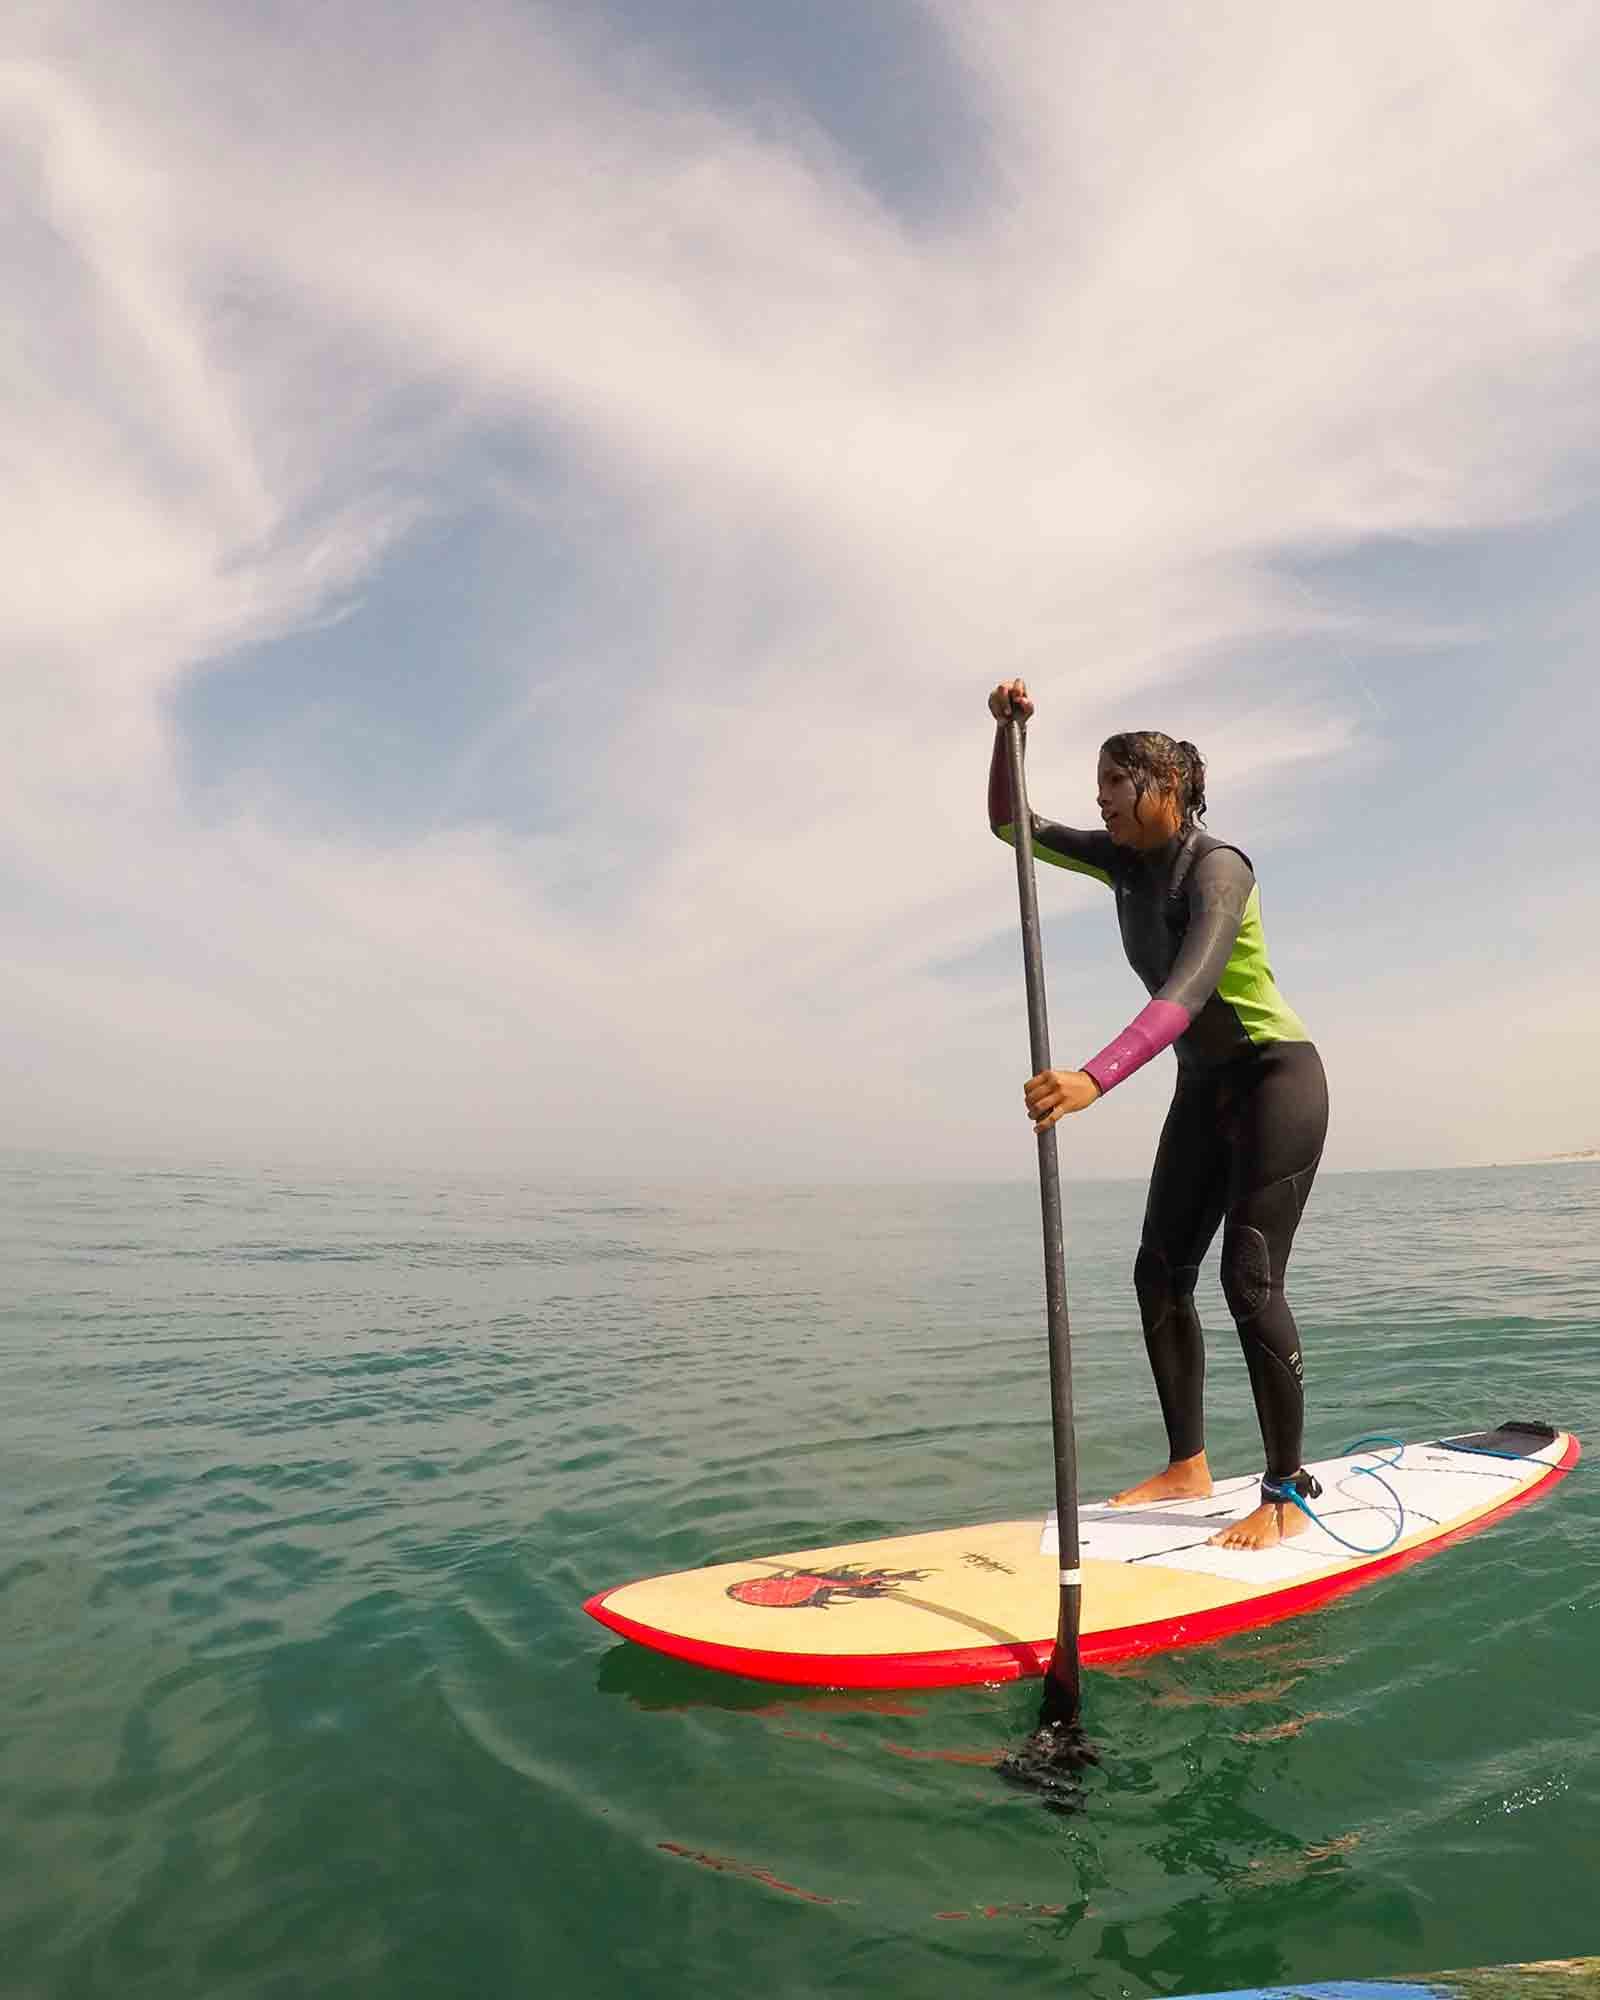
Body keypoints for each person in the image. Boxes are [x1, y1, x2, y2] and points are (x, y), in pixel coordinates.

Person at [986, 678, 1329, 1551]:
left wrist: (1093, 1079)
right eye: (1097, 783)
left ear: (1166, 786)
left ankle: (1286, 1489)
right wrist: (1006, 734)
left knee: (1249, 1280)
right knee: (1159, 1272)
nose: (1100, 799)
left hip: (1274, 1081)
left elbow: (1188, 990)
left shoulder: (1219, 867)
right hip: (1202, 1087)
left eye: (1114, 782)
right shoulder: (1121, 861)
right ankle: (1188, 1465)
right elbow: (1010, 826)